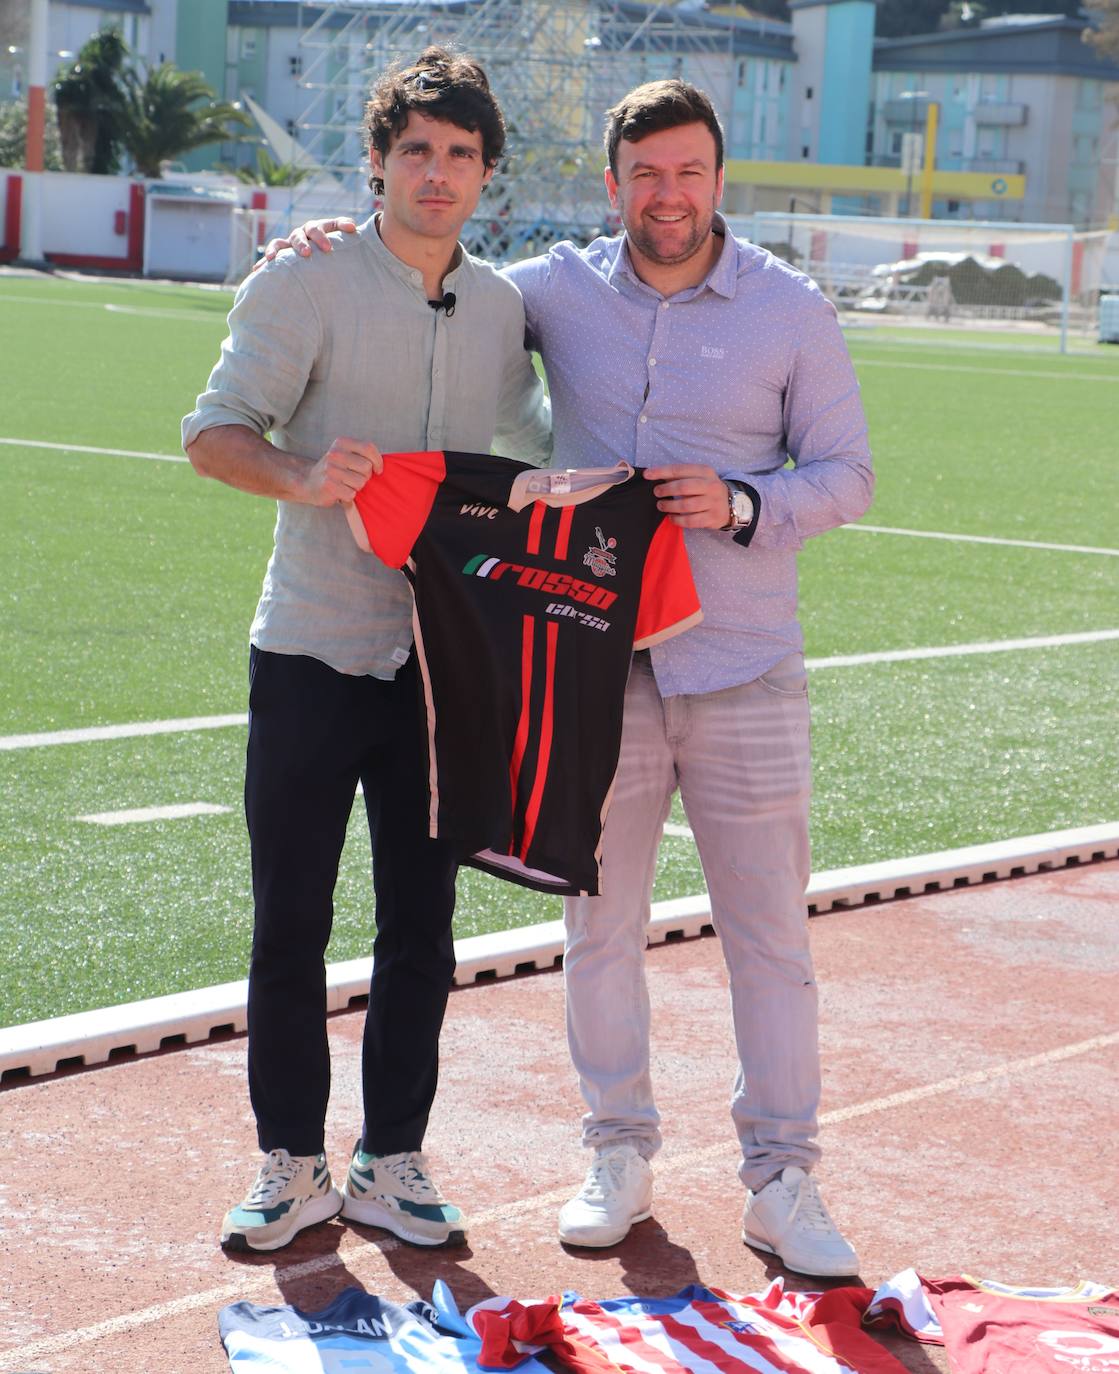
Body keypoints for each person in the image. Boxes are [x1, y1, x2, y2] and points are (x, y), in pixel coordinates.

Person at [272, 78, 873, 1277]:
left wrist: (749, 503)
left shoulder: (792, 311)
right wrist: (320, 239)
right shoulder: (555, 292)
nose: (668, 195)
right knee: (598, 929)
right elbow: (435, 263)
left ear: (718, 179)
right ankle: (618, 1153)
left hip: (747, 668)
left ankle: (783, 1181)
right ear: (614, 186)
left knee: (770, 940)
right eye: (645, 174)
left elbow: (849, 475)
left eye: (689, 172)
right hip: (597, 675)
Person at [181, 47, 551, 1255]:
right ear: (379, 163)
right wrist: (302, 473)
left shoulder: (502, 309)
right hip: (308, 652)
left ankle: (393, 1158)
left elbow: (538, 444)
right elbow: (212, 432)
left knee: (422, 927)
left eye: (458, 155)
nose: (436, 175)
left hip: (443, 669)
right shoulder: (309, 279)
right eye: (415, 152)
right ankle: (289, 1162)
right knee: (289, 919)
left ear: (487, 174)